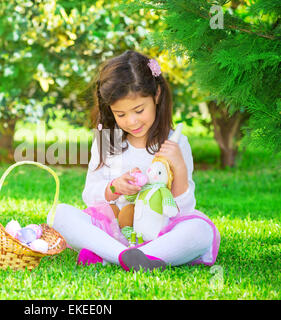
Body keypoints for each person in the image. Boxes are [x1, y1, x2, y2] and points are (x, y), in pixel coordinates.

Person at [47, 50, 220, 272]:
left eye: (139, 110)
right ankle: (126, 256)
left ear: (156, 95)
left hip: (161, 233)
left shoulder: (175, 143)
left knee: (200, 230)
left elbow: (184, 210)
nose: (131, 121)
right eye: (121, 114)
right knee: (59, 214)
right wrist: (114, 187)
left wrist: (179, 167)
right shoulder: (106, 141)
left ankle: (122, 255)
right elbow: (89, 194)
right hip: (115, 230)